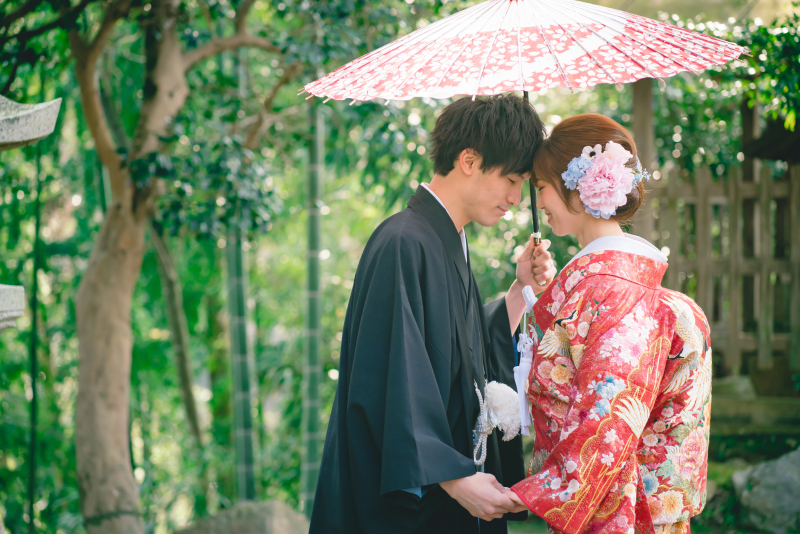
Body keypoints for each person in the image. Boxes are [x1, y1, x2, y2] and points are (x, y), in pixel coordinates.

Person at [309, 94, 556, 534]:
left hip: (446, 495)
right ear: (468, 160)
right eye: (512, 180)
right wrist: (456, 478)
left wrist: (519, 291)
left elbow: (459, 349)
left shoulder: (446, 239)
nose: (516, 199)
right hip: (409, 505)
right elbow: (393, 376)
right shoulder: (402, 241)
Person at [505, 114, 712, 534]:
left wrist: (526, 493)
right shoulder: (615, 285)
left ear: (578, 193)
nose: (539, 203)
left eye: (542, 188)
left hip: (619, 509)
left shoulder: (611, 292)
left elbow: (608, 421)